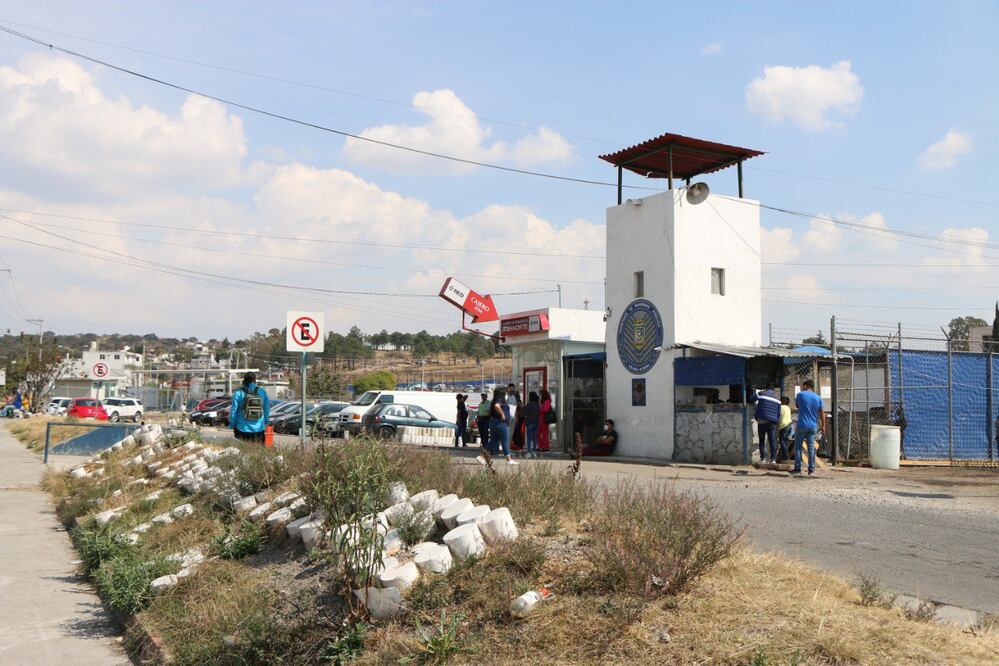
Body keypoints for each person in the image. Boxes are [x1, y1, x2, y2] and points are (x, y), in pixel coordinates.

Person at [791, 380, 824, 476]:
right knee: (811, 448)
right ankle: (811, 470)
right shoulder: (818, 397)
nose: (802, 387)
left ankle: (797, 468)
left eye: (803, 386)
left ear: (805, 386)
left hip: (801, 425)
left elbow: (797, 406)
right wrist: (823, 425)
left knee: (798, 446)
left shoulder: (800, 395)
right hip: (813, 426)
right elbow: (822, 412)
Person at [229, 372, 270, 443]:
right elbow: (266, 409)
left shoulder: (238, 392)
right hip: (259, 429)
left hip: (242, 428)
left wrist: (232, 424)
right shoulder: (262, 392)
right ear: (255, 380)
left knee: (242, 452)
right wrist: (266, 422)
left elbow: (233, 411)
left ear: (244, 380)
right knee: (257, 452)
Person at [485, 387, 518, 465]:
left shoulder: (494, 400)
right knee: (505, 441)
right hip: (501, 423)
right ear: (502, 393)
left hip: (494, 423)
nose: (506, 393)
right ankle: (509, 459)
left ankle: (482, 456)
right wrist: (502, 414)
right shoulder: (500, 400)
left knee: (492, 442)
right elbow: (497, 406)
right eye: (505, 392)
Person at [753, 386, 781, 464]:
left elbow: (751, 399)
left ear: (765, 388)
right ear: (773, 389)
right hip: (772, 422)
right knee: (772, 441)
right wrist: (776, 421)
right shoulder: (777, 398)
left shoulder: (761, 393)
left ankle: (763, 459)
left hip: (762, 421)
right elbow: (779, 412)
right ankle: (773, 460)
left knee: (762, 441)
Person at [523, 391, 540, 458]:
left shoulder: (529, 404)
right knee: (535, 437)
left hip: (530, 423)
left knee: (529, 438)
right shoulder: (537, 404)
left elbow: (525, 412)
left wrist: (523, 407)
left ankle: (529, 451)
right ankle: (534, 451)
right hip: (536, 422)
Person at [777, 396, 793, 462]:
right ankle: (784, 457)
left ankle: (786, 456)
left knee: (782, 441)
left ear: (783, 401)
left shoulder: (780, 407)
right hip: (790, 425)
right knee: (786, 442)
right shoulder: (788, 408)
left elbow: (778, 416)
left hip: (783, 426)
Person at [538, 389, 553, 454]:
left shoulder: (547, 401)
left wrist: (540, 409)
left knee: (544, 434)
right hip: (541, 419)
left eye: (541, 394)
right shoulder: (544, 401)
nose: (540, 396)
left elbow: (545, 409)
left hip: (544, 419)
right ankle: (541, 446)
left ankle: (546, 447)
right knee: (538, 433)